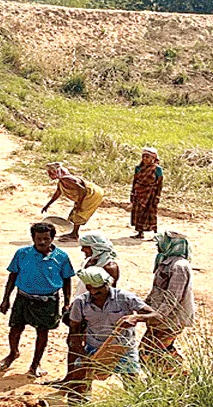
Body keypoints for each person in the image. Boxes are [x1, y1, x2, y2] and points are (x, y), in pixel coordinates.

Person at [0, 222, 75, 377]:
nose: (42, 242)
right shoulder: (22, 254)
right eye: (38, 238)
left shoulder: (61, 257)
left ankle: (35, 363)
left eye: (46, 238)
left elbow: (67, 280)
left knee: (42, 332)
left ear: (52, 238)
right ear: (33, 238)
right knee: (15, 329)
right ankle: (13, 353)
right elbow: (12, 276)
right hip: (23, 298)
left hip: (48, 301)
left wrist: (67, 303)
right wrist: (6, 299)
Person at [62, 267, 159, 391]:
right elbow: (74, 334)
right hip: (94, 348)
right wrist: (83, 355)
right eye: (90, 288)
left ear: (107, 284)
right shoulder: (80, 302)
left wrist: (137, 317)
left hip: (123, 349)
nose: (93, 292)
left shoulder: (125, 297)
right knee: (79, 383)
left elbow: (156, 316)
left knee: (133, 386)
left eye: (98, 289)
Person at [141, 231, 195, 369]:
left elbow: (173, 297)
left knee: (151, 351)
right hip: (161, 318)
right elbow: (156, 291)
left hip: (171, 319)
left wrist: (157, 315)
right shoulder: (165, 262)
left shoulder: (179, 267)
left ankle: (181, 375)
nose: (158, 246)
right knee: (154, 351)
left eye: (161, 243)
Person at [42, 163, 104, 242]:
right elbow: (57, 193)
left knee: (79, 213)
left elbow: (82, 190)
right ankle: (73, 233)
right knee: (75, 213)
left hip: (91, 194)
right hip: (85, 194)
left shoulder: (67, 180)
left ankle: (74, 235)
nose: (49, 175)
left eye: (51, 173)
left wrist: (79, 204)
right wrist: (48, 205)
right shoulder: (61, 182)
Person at [130, 148, 163, 239]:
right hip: (139, 193)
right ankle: (140, 233)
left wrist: (157, 196)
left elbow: (159, 184)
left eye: (147, 157)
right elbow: (135, 181)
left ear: (153, 158)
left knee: (151, 213)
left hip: (151, 194)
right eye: (143, 156)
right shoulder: (138, 168)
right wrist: (132, 193)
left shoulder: (157, 169)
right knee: (138, 212)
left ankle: (155, 234)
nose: (144, 158)